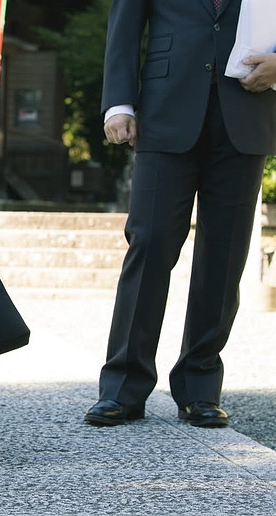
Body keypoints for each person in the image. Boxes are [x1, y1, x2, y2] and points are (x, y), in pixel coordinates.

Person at [85, 0, 276, 429]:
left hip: (247, 112)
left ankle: (200, 389)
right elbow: (126, 27)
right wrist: (119, 103)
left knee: (224, 256)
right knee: (149, 242)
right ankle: (122, 388)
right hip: (164, 110)